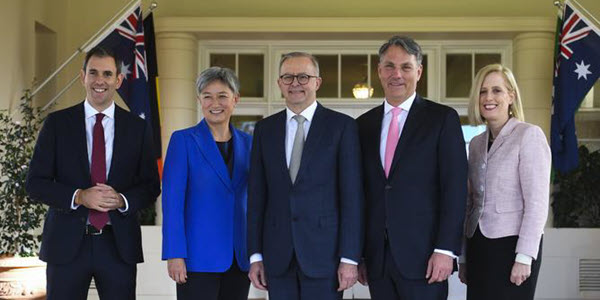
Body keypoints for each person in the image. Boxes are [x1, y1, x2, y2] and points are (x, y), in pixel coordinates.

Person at [26, 46, 161, 299]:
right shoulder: (57, 124)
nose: (100, 80)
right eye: (94, 73)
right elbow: (35, 183)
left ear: (118, 80)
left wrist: (122, 200)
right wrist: (79, 196)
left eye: (108, 74)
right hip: (66, 246)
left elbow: (151, 185)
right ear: (83, 77)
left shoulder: (138, 128)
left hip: (117, 245)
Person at [356, 35, 467, 300]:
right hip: (377, 260)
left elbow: (455, 188)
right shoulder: (362, 125)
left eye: (405, 67)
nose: (397, 74)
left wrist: (445, 250)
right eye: (389, 66)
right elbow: (360, 193)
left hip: (426, 258)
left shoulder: (442, 119)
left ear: (419, 72)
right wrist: (358, 253)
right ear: (379, 72)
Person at [247, 52, 364, 300]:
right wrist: (255, 255)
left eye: (303, 76)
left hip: (326, 258)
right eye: (288, 77)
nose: (295, 83)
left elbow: (352, 197)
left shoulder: (342, 127)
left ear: (317, 82)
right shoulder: (264, 130)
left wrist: (350, 257)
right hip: (277, 258)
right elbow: (257, 197)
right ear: (279, 83)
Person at [458, 64, 550, 300]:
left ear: (511, 96)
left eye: (497, 90)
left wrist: (524, 257)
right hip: (478, 246)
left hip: (512, 249)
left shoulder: (529, 135)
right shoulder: (476, 143)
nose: (489, 97)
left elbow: (537, 204)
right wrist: (464, 256)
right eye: (483, 91)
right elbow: (471, 202)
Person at [161, 67, 252, 300]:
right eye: (207, 96)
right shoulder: (183, 141)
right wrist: (175, 254)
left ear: (235, 99)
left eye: (222, 95)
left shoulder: (250, 144)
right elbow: (173, 203)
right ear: (199, 100)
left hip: (239, 257)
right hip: (197, 258)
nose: (215, 103)